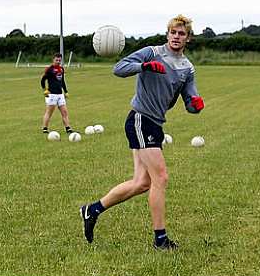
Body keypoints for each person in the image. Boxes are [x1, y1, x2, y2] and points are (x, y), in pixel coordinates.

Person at [80, 15, 204, 250]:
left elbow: (191, 99)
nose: (177, 37)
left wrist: (195, 104)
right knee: (161, 178)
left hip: (155, 124)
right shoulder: (151, 52)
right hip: (139, 119)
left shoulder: (187, 68)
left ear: (188, 38)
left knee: (141, 183)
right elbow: (119, 68)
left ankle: (92, 210)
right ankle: (160, 239)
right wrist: (144, 66)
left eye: (182, 34)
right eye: (173, 32)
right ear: (167, 34)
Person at [40, 53, 73, 134]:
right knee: (49, 112)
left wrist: (65, 91)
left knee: (64, 112)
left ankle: (68, 128)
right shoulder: (49, 69)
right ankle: (45, 128)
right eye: (56, 60)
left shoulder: (61, 69)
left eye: (59, 60)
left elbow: (62, 81)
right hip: (52, 94)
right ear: (53, 60)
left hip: (60, 95)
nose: (58, 61)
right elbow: (42, 80)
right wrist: (45, 90)